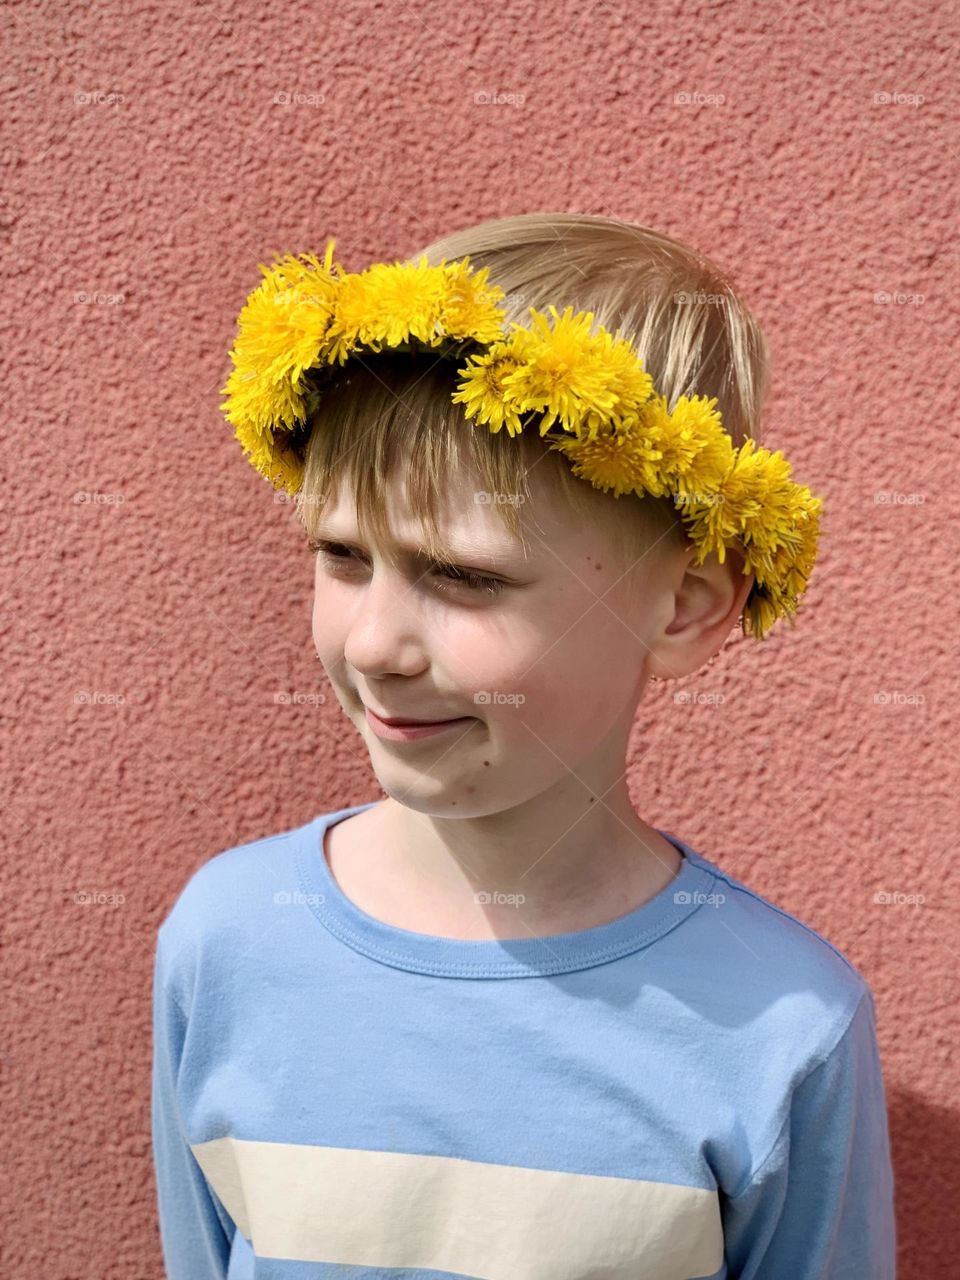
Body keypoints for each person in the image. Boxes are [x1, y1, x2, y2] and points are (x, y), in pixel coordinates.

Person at [151, 212, 896, 1278]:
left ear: (684, 606)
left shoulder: (783, 1026)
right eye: (343, 553)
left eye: (466, 576)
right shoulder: (223, 945)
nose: (374, 643)